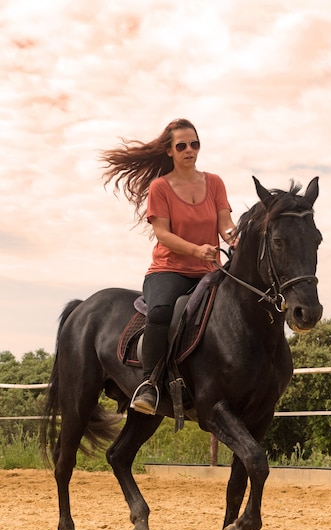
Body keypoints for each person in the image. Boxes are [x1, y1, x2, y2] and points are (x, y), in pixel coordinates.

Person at [102, 118, 237, 414]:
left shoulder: (214, 182)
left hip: (209, 272)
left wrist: (236, 238)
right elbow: (163, 233)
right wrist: (197, 250)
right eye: (182, 146)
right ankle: (149, 384)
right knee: (161, 311)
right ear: (169, 151)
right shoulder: (160, 187)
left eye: (195, 144)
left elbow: (225, 224)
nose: (190, 150)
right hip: (168, 271)